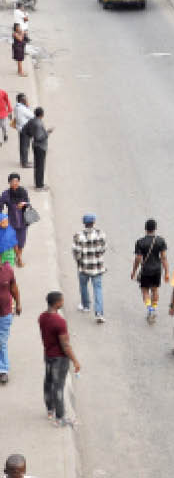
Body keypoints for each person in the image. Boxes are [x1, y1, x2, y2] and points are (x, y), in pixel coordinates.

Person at [39, 291, 81, 427]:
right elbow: (65, 345)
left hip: (48, 355)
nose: (63, 302)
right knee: (58, 387)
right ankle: (60, 418)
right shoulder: (60, 322)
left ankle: (50, 409)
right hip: (59, 359)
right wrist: (75, 360)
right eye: (62, 301)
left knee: (48, 382)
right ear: (57, 303)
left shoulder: (42, 317)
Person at [130, 219, 169, 325]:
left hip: (145, 270)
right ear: (155, 228)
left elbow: (138, 258)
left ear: (145, 228)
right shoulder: (161, 241)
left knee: (145, 290)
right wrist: (166, 272)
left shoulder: (140, 242)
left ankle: (149, 309)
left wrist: (134, 271)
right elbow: (164, 258)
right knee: (155, 290)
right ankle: (154, 307)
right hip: (157, 269)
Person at [71, 214, 106, 324]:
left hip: (83, 267)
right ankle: (99, 313)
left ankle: (86, 306)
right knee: (98, 289)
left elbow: (76, 252)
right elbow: (103, 249)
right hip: (97, 267)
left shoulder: (78, 235)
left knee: (83, 286)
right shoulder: (101, 234)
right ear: (94, 222)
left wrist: (79, 261)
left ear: (84, 223)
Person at [0, 175, 29, 267]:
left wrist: (24, 204)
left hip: (22, 221)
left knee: (21, 241)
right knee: (12, 241)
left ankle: (18, 257)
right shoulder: (6, 194)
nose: (15, 183)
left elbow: (28, 202)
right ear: (9, 182)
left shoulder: (23, 191)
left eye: (17, 181)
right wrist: (2, 217)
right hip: (11, 222)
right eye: (13, 181)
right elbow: (0, 205)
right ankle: (18, 258)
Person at [0, 258, 21, 384]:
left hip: (5, 313)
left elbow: (14, 287)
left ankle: (3, 370)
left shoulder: (7, 270)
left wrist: (18, 303)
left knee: (1, 341)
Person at [23, 107, 50, 191]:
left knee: (38, 166)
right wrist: (47, 133)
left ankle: (39, 183)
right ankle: (39, 186)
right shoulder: (38, 123)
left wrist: (31, 135)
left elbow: (25, 129)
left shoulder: (33, 120)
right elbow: (39, 137)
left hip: (36, 145)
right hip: (40, 147)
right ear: (42, 114)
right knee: (40, 167)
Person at [14, 95, 31, 168]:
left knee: (22, 145)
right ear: (22, 100)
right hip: (25, 129)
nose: (27, 100)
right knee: (25, 146)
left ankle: (23, 160)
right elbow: (32, 116)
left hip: (20, 128)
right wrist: (27, 106)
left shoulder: (16, 106)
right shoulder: (23, 108)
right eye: (26, 99)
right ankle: (25, 163)